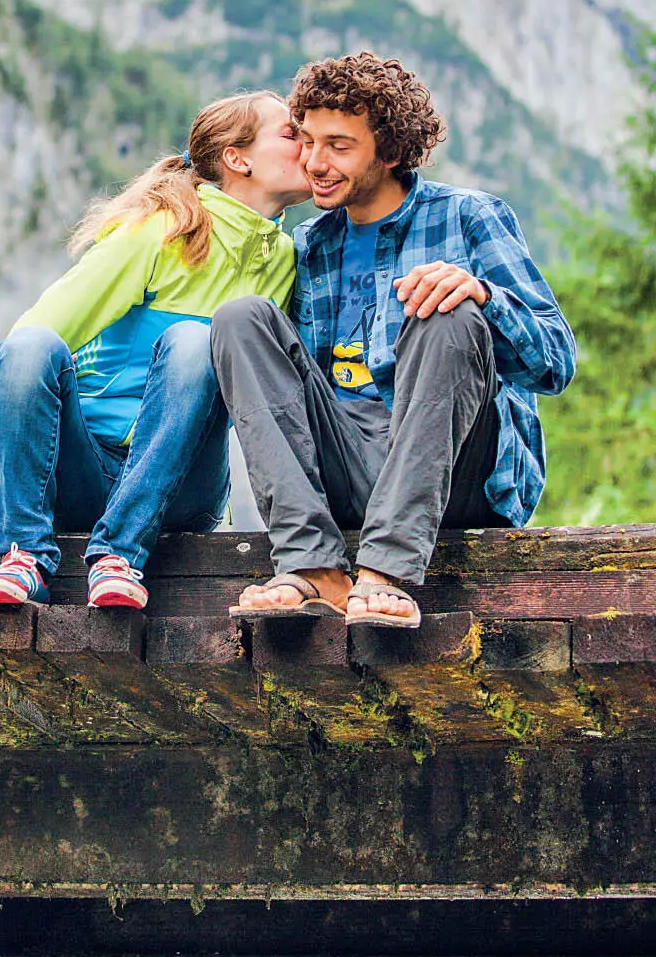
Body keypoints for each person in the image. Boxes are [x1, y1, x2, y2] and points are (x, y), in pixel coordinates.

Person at [211, 52, 577, 628]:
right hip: (348, 465)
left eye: (339, 145)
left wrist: (482, 295)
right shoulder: (310, 245)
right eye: (307, 141)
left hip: (453, 472)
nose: (315, 162)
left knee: (446, 311)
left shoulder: (469, 216)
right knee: (239, 319)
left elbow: (555, 363)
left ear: (392, 151)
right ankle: (315, 570)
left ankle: (386, 574)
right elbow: (278, 388)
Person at [0, 91, 311, 610]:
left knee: (197, 339)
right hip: (83, 474)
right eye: (293, 134)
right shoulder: (160, 232)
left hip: (179, 491)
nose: (310, 148)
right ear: (237, 158)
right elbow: (42, 327)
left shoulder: (288, 261)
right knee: (32, 346)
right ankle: (24, 555)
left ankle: (120, 556)